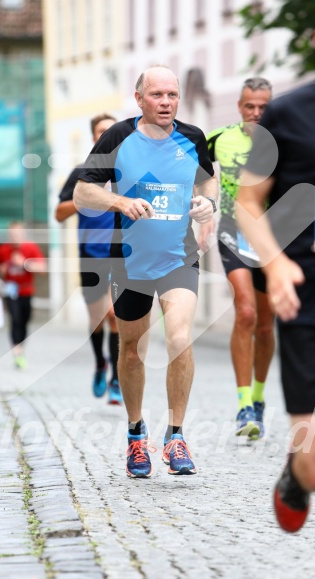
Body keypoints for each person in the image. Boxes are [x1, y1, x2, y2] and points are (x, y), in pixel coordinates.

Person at [236, 0, 315, 579]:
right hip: (313, 307)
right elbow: (249, 201)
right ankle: (295, 475)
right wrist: (275, 264)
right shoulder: (287, 114)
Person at [74, 65, 217, 478]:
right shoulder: (118, 136)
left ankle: (176, 436)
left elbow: (207, 183)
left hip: (178, 258)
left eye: (172, 95)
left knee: (179, 337)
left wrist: (208, 207)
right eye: (157, 95)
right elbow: (84, 190)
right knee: (132, 351)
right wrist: (120, 203)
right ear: (139, 98)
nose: (166, 102)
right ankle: (137, 437)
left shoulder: (192, 138)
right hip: (129, 261)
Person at [199, 78, 274, 439]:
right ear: (240, 107)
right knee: (245, 311)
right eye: (250, 106)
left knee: (265, 324)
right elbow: (194, 171)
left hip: (274, 238)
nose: (256, 113)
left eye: (263, 107)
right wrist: (202, 207)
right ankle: (244, 404)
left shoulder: (286, 138)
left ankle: (259, 397)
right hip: (233, 231)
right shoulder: (219, 137)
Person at [55, 114, 123, 406]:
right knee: (97, 318)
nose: (106, 135)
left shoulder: (127, 172)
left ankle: (118, 380)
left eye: (111, 130)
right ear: (94, 137)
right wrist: (87, 198)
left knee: (114, 316)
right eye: (101, 131)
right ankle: (100, 363)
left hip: (121, 255)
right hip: (91, 257)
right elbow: (59, 213)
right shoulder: (82, 173)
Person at [0, 222, 45, 368]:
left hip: (26, 291)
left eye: (18, 234)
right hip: (10, 291)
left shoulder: (31, 248)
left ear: (23, 234)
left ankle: (21, 347)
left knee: (24, 320)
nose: (15, 237)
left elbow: (42, 269)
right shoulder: (4, 249)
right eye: (13, 234)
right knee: (15, 319)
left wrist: (25, 264)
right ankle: (17, 351)